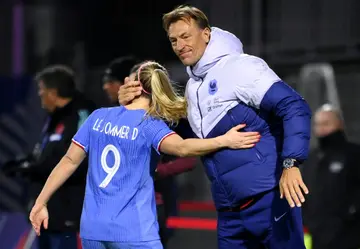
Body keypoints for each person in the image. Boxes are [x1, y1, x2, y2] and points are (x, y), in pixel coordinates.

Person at [118, 5, 312, 249]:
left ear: (206, 34)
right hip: (229, 212)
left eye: (186, 36)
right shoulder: (192, 87)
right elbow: (179, 139)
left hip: (269, 198)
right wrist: (131, 104)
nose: (179, 45)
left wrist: (291, 163)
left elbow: (294, 105)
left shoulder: (240, 66)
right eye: (173, 40)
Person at [29, 61, 260, 249]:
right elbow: (183, 149)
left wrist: (41, 202)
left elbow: (68, 162)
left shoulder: (97, 117)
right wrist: (225, 140)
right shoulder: (150, 126)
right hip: (133, 232)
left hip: (93, 231)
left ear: (133, 85)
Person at [4, 65, 95, 249]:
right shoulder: (54, 118)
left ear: (53, 93)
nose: (39, 95)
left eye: (41, 90)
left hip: (69, 214)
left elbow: (77, 161)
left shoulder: (81, 115)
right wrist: (24, 165)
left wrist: (32, 168)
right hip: (49, 214)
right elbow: (45, 155)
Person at [302, 104, 360, 249]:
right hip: (316, 235)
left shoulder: (353, 154)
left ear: (339, 124)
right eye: (318, 124)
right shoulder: (311, 159)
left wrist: (351, 212)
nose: (321, 129)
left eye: (326, 124)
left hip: (348, 235)